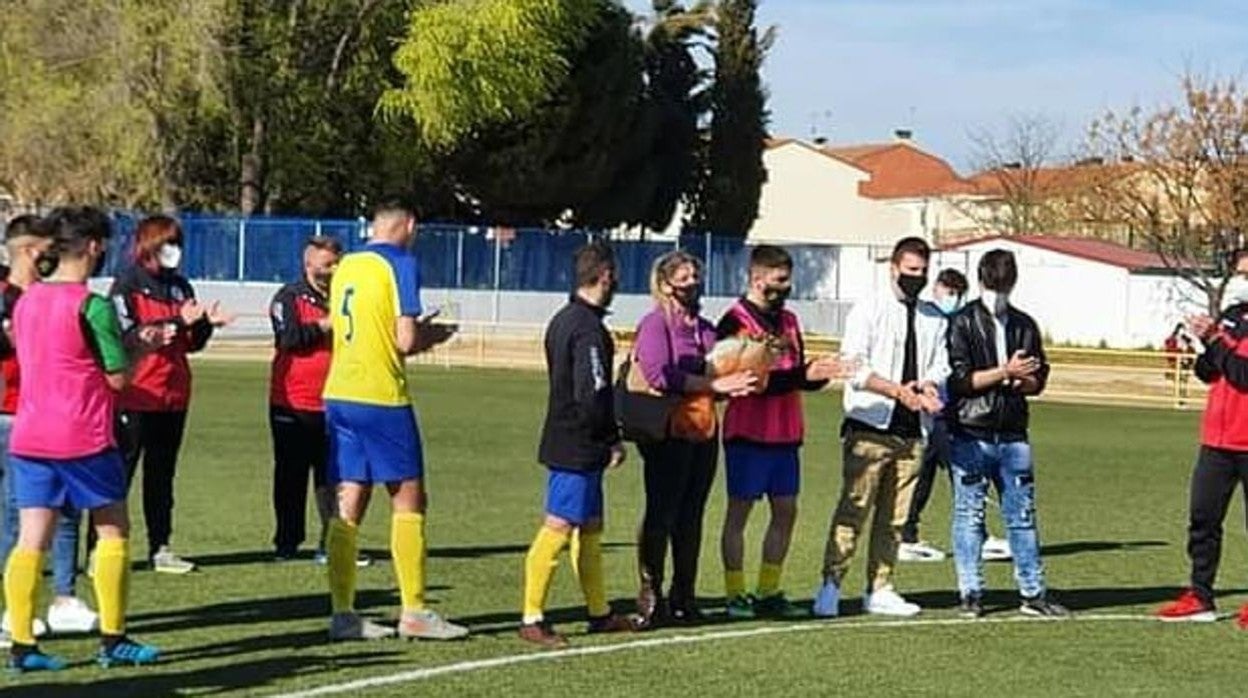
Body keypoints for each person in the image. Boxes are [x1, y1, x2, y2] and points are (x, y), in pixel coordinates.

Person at [4, 206, 163, 672]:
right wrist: (141, 346)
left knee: (31, 538)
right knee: (113, 528)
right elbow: (117, 379)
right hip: (83, 434)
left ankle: (22, 644)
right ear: (94, 246)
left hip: (30, 433)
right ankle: (114, 639)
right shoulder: (90, 305)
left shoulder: (27, 299)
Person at [321, 199, 465, 641]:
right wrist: (432, 336)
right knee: (409, 499)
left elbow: (345, 323)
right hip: (380, 396)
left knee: (350, 503)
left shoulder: (346, 265)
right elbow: (403, 339)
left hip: (338, 393)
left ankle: (343, 614)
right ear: (409, 224)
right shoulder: (400, 262)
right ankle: (414, 611)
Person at [813, 237, 948, 618]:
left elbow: (940, 364)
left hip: (912, 432)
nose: (916, 278)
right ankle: (830, 585)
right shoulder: (868, 310)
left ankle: (881, 587)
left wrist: (929, 387)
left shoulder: (934, 317)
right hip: (870, 425)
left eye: (922, 272)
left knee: (895, 518)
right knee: (853, 511)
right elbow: (854, 366)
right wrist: (896, 391)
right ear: (893, 268)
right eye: (910, 271)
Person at [519, 241, 636, 648]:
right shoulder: (586, 328)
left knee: (589, 528)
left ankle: (599, 612)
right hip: (577, 444)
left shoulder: (563, 319)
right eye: (615, 273)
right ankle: (532, 617)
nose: (618, 281)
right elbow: (593, 391)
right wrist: (610, 440)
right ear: (604, 275)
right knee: (558, 526)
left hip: (572, 439)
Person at [716, 245, 841, 619]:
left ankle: (768, 590)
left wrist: (821, 374)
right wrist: (804, 375)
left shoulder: (789, 321)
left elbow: (797, 375)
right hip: (748, 433)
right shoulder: (734, 321)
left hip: (786, 434)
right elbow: (751, 381)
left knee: (786, 511)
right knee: (740, 512)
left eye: (788, 280)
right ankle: (735, 593)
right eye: (779, 280)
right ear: (757, 278)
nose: (786, 287)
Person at [632, 250, 756, 627]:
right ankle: (651, 594)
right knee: (662, 512)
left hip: (704, 432)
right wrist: (713, 383)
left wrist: (738, 377)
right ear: (666, 284)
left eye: (694, 276)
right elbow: (659, 374)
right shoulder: (655, 324)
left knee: (692, 515)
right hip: (668, 431)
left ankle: (684, 594)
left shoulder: (704, 327)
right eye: (683, 278)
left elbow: (715, 374)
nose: (691, 284)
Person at [946, 249, 1068, 619]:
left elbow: (1038, 379)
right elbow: (962, 381)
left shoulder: (1024, 324)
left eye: (1004, 285)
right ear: (982, 281)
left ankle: (1033, 592)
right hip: (971, 430)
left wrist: (1024, 380)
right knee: (970, 514)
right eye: (993, 285)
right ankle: (971, 592)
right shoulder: (963, 322)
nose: (998, 292)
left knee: (1023, 514)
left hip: (1013, 432)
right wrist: (1003, 371)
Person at [109, 215, 231, 573]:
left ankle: (160, 546)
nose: (173, 252)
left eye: (176, 244)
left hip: (173, 395)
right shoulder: (126, 285)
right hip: (135, 392)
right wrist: (179, 321)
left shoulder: (180, 286)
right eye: (167, 244)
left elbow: (191, 343)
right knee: (119, 476)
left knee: (162, 477)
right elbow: (129, 335)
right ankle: (102, 546)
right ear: (148, 245)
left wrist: (206, 323)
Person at [0, 217, 98, 644]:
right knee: (16, 514)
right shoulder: (9, 297)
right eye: (45, 249)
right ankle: (11, 610)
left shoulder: (47, 296)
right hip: (12, 412)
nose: (51, 256)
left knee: (65, 510)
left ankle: (64, 598)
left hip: (51, 415)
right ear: (27, 251)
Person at [1157, 250, 1248, 624]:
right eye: (1239, 272)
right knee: (1203, 517)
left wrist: (1216, 340)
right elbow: (1210, 372)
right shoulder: (1232, 318)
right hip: (1217, 440)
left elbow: (1244, 375)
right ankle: (1200, 594)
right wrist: (1202, 342)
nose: (1241, 279)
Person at [898, 269, 1013, 564]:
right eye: (947, 290)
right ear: (936, 288)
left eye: (956, 292)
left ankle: (970, 534)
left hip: (952, 410)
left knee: (959, 474)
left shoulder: (959, 321)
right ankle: (908, 535)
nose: (952, 298)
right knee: (935, 474)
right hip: (933, 413)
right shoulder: (927, 321)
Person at [268, 236, 369, 566]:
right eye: (325, 265)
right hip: (292, 404)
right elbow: (289, 339)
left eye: (335, 264)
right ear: (309, 264)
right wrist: (326, 324)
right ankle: (286, 543)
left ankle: (333, 541)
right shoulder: (288, 297)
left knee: (333, 477)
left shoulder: (346, 297)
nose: (331, 271)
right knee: (290, 476)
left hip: (336, 401)